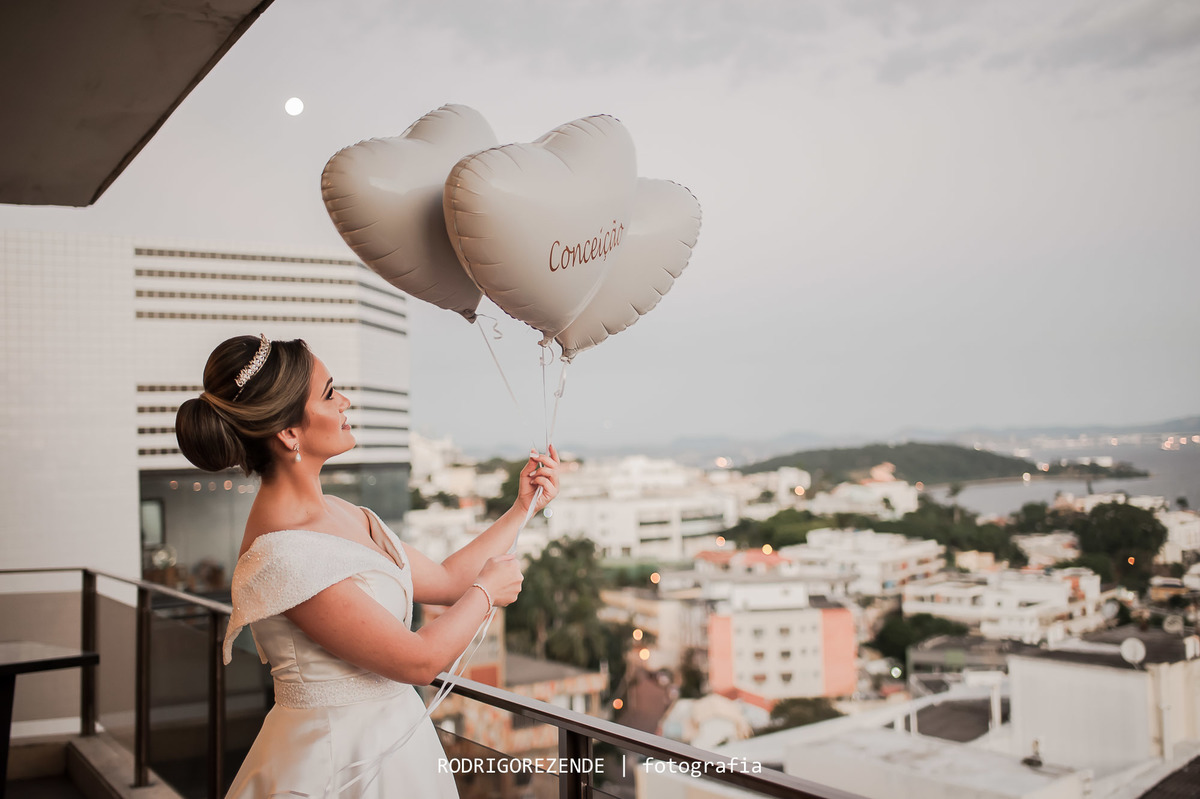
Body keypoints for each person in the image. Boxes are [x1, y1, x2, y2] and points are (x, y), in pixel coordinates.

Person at [175, 334, 559, 798]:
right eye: (330, 392)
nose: (345, 401)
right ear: (289, 433)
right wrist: (486, 594)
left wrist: (521, 509)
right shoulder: (281, 554)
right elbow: (418, 661)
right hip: (339, 766)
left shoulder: (344, 512)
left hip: (398, 748)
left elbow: (444, 580)